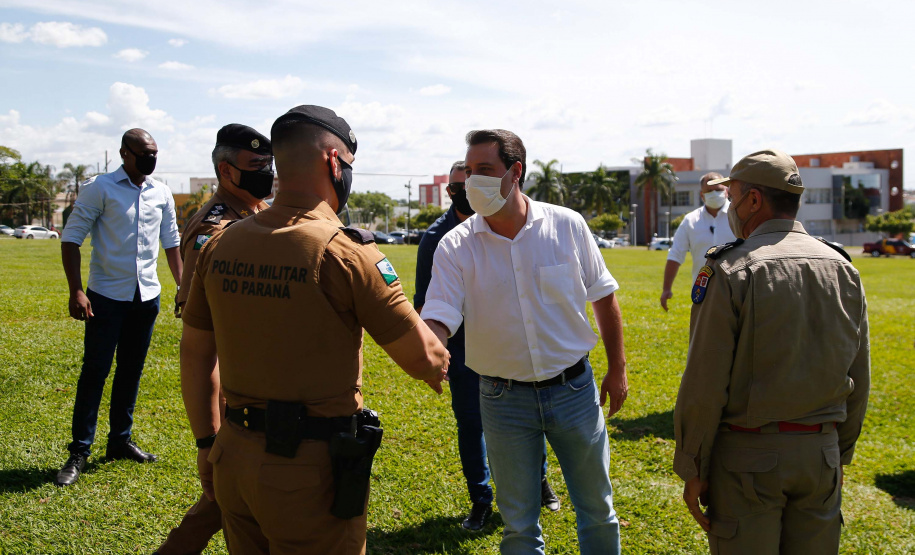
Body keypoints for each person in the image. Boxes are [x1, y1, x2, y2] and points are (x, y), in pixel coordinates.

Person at [180, 105, 449, 554]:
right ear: (333, 162)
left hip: (233, 454)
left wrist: (207, 443)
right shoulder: (345, 252)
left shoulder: (221, 243)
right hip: (307, 473)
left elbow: (195, 355)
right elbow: (425, 359)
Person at [422, 129, 628, 554]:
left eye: (484, 170)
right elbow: (439, 312)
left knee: (597, 510)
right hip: (502, 399)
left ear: (515, 172)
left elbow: (604, 296)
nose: (471, 180)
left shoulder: (566, 226)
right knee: (518, 525)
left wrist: (618, 369)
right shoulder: (454, 246)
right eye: (468, 170)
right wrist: (432, 348)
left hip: (573, 390)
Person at [674, 149, 870, 554]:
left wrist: (693, 466)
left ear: (754, 200)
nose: (728, 206)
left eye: (733, 197)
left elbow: (705, 383)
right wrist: (837, 456)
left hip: (749, 459)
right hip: (821, 455)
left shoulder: (732, 269)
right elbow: (859, 375)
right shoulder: (842, 267)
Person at [414, 161, 559, 532]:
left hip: (510, 344)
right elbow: (424, 302)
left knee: (529, 415)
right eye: (454, 188)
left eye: (467, 184)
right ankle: (480, 499)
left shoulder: (509, 223)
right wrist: (437, 351)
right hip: (463, 351)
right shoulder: (437, 237)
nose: (461, 192)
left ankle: (539, 479)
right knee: (471, 424)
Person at [156, 123, 273, 555]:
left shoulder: (258, 211)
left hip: (257, 388)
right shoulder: (214, 230)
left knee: (226, 499)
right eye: (257, 165)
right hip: (235, 394)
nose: (268, 172)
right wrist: (208, 437)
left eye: (270, 163)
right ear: (227, 170)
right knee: (229, 496)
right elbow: (203, 339)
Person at [57, 128, 182, 486]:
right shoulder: (100, 187)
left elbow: (172, 241)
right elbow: (71, 238)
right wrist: (76, 291)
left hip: (146, 298)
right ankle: (79, 450)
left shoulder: (161, 192)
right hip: (105, 298)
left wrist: (183, 285)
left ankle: (120, 441)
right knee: (95, 372)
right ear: (125, 153)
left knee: (131, 370)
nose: (150, 158)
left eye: (155, 152)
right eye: (144, 152)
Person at [660, 172, 736, 311]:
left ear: (726, 191)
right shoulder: (691, 221)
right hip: (702, 292)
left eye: (718, 190)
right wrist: (666, 288)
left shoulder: (738, 217)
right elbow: (675, 254)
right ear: (702, 195)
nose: (714, 194)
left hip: (737, 291)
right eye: (710, 191)